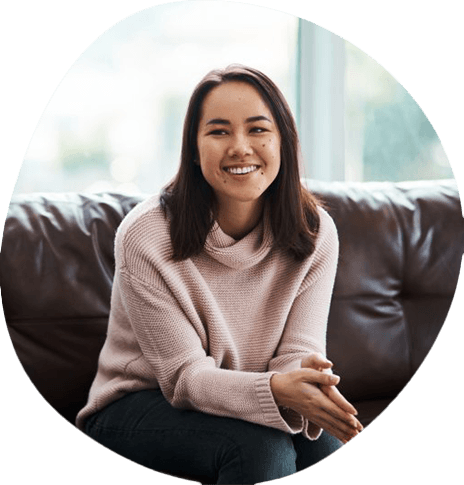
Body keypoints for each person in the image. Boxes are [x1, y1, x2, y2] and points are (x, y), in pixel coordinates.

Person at [77, 65, 363, 484]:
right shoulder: (146, 236)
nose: (240, 147)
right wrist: (277, 390)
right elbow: (183, 379)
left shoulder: (315, 231)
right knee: (258, 450)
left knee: (323, 446)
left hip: (246, 393)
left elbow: (295, 353)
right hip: (138, 404)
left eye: (258, 129)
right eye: (219, 131)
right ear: (194, 150)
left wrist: (307, 384)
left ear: (283, 141)